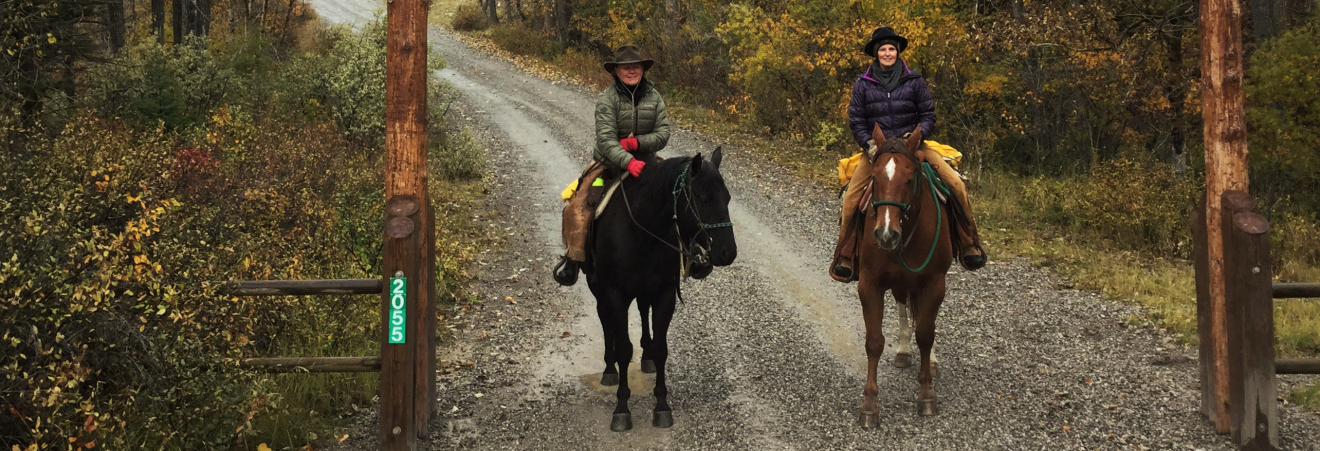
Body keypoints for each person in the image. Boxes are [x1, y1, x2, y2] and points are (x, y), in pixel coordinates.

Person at [830, 26, 986, 281]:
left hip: (912, 146)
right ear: (876, 53)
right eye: (883, 49)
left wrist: (916, 137)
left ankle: (969, 241)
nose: (888, 53)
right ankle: (845, 254)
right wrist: (869, 144)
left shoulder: (914, 80)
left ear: (898, 52)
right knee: (850, 198)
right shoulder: (863, 84)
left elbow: (928, 115)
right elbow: (856, 120)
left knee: (955, 183)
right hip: (877, 151)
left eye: (892, 49)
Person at [554, 45, 673, 286]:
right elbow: (606, 140)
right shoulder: (607, 99)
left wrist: (637, 142)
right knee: (579, 206)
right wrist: (627, 161)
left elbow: (664, 133)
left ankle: (690, 260)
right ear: (617, 71)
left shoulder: (654, 96)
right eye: (626, 67)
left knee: (676, 200)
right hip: (609, 165)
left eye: (635, 66)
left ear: (642, 69)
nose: (631, 71)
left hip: (648, 162)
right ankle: (573, 260)